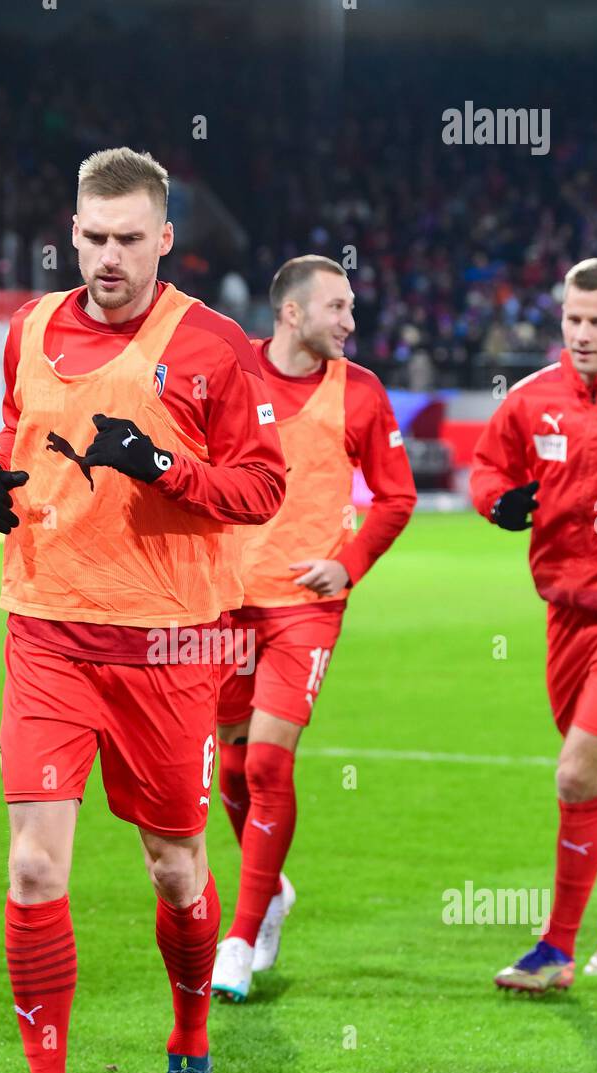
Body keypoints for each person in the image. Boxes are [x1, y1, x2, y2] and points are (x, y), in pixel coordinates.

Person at [0, 147, 286, 1073]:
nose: (104, 256)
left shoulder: (211, 345)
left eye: (125, 239)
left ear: (163, 239)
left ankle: (188, 1055)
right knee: (31, 866)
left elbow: (262, 487)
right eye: (90, 237)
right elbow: (18, 438)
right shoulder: (29, 326)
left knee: (174, 866)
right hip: (47, 628)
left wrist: (165, 467)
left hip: (165, 645)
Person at [211, 256, 416, 1001]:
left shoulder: (359, 392)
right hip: (229, 600)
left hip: (306, 605)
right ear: (292, 313)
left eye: (352, 307)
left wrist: (348, 564)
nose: (351, 322)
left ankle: (240, 935)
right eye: (338, 308)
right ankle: (274, 893)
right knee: (230, 761)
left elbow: (397, 496)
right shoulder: (232, 378)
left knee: (268, 765)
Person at [471, 257, 597, 992]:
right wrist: (497, 503)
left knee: (575, 772)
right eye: (572, 319)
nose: (581, 333)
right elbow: (487, 470)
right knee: (596, 777)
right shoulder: (534, 399)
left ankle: (556, 949)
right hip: (564, 617)